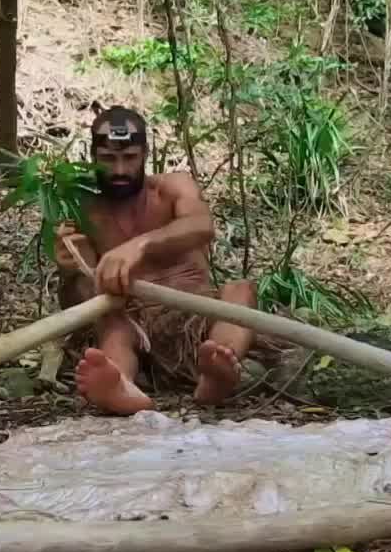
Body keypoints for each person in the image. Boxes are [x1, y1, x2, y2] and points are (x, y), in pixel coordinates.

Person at [53, 105, 258, 415]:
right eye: (108, 158)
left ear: (145, 154)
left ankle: (218, 369)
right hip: (133, 322)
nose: (119, 169)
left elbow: (201, 225)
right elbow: (78, 303)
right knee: (112, 322)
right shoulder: (83, 210)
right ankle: (121, 384)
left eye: (129, 157)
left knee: (240, 290)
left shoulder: (173, 187)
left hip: (193, 318)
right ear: (93, 156)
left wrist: (140, 246)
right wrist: (70, 271)